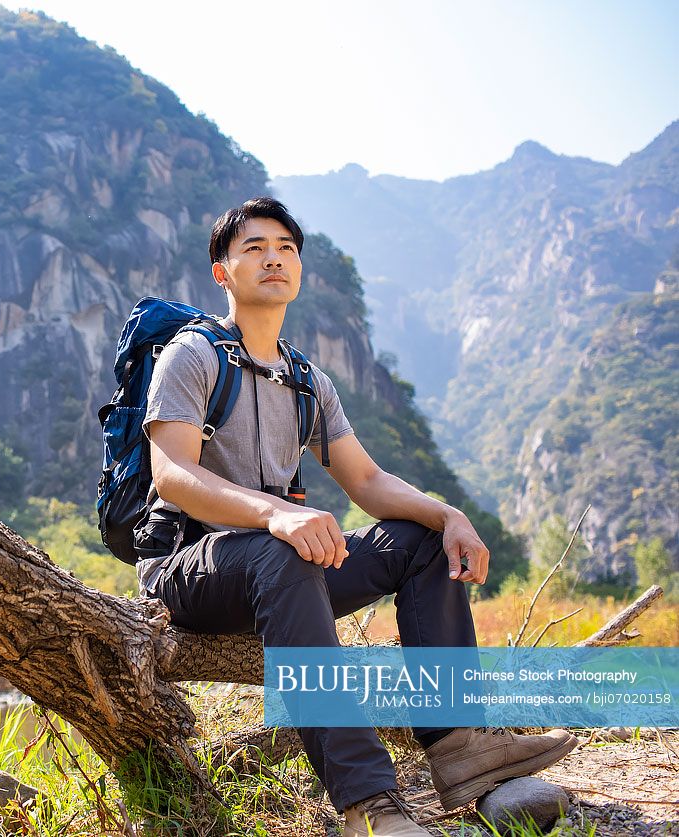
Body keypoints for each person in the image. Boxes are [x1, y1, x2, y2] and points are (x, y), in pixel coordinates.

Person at [136, 197, 576, 836]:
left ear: (300, 271)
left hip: (278, 569)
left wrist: (449, 514)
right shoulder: (193, 356)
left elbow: (366, 481)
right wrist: (274, 517)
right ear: (221, 271)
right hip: (188, 570)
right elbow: (171, 473)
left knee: (420, 540)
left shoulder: (308, 381)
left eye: (286, 249)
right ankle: (367, 804)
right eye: (254, 248)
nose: (274, 259)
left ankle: (460, 747)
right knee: (281, 545)